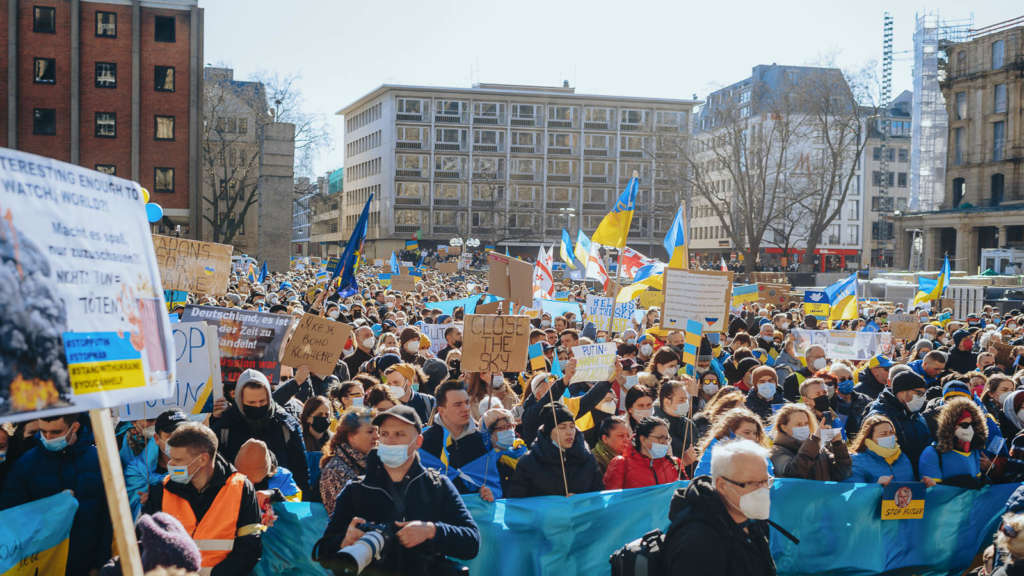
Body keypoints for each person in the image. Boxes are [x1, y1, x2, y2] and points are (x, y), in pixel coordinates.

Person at [314, 405, 480, 575]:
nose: (390, 441)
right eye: (385, 434)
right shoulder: (356, 489)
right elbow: (323, 552)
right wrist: (344, 541)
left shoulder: (437, 486)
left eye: (400, 434)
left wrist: (431, 531)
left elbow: (472, 543)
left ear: (418, 441)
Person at [1, 414, 113, 576]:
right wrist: (54, 508)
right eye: (43, 431)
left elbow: (108, 518)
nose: (48, 437)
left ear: (74, 427)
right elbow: (12, 517)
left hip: (86, 563)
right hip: (42, 565)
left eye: (55, 432)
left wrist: (100, 564)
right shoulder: (25, 465)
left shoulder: (99, 461)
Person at [145, 422, 263, 575]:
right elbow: (147, 544)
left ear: (202, 459)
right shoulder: (161, 490)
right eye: (171, 458)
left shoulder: (241, 488)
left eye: (178, 460)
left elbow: (249, 548)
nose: (170, 464)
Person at [662, 439, 777, 576]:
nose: (763, 490)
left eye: (766, 481)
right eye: (752, 483)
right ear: (722, 485)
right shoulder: (698, 541)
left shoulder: (753, 521)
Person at [211, 369, 310, 493]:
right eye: (251, 403)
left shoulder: (285, 424)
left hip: (278, 498)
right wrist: (215, 421)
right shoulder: (225, 426)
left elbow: (301, 471)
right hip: (236, 497)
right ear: (240, 400)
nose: (258, 406)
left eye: (262, 401)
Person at [506, 402, 605, 497]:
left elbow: (598, 497)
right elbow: (517, 502)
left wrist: (581, 501)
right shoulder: (529, 462)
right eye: (562, 427)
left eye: (572, 426)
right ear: (549, 431)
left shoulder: (588, 458)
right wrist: (555, 503)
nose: (569, 432)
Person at [419, 381, 489, 495]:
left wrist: (489, 492)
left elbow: (489, 480)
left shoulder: (480, 440)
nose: (465, 408)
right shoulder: (425, 443)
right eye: (458, 404)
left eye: (467, 402)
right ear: (441, 410)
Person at [867, 370, 933, 472]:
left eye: (924, 394)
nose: (922, 398)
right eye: (919, 393)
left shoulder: (915, 414)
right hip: (894, 475)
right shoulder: (880, 416)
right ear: (902, 392)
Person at [919, 398, 990, 488]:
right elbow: (932, 493)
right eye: (964, 425)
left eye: (973, 425)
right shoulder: (932, 454)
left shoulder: (973, 451)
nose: (970, 429)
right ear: (950, 426)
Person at [319, 407, 378, 516]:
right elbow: (341, 516)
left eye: (377, 431)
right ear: (351, 436)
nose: (376, 436)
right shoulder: (334, 471)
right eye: (370, 432)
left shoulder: (375, 462)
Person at [769, 404, 851, 481]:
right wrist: (815, 441)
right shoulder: (778, 451)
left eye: (806, 424)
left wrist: (838, 444)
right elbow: (794, 474)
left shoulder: (818, 448)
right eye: (799, 424)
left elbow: (843, 473)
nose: (804, 427)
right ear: (784, 427)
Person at [604, 416, 684, 489]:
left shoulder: (674, 463)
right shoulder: (622, 464)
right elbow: (612, 497)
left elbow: (684, 493)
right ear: (643, 439)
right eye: (660, 438)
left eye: (667, 439)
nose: (665, 443)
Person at [693, 407, 773, 477]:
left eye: (755, 433)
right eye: (747, 433)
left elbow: (769, 480)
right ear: (730, 433)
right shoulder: (713, 452)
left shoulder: (760, 454)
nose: (753, 437)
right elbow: (703, 479)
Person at [847, 414, 916, 484]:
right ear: (869, 438)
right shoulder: (857, 461)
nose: (889, 436)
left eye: (891, 432)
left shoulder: (902, 457)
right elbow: (856, 488)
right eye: (883, 434)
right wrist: (877, 485)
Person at [235, 438, 303, 502]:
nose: (251, 484)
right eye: (247, 478)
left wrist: (275, 495)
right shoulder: (233, 479)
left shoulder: (281, 477)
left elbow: (295, 506)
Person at [655, 379, 699, 462]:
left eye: (686, 399)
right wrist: (683, 461)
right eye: (681, 400)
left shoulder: (689, 424)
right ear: (667, 402)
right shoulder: (655, 426)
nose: (686, 403)